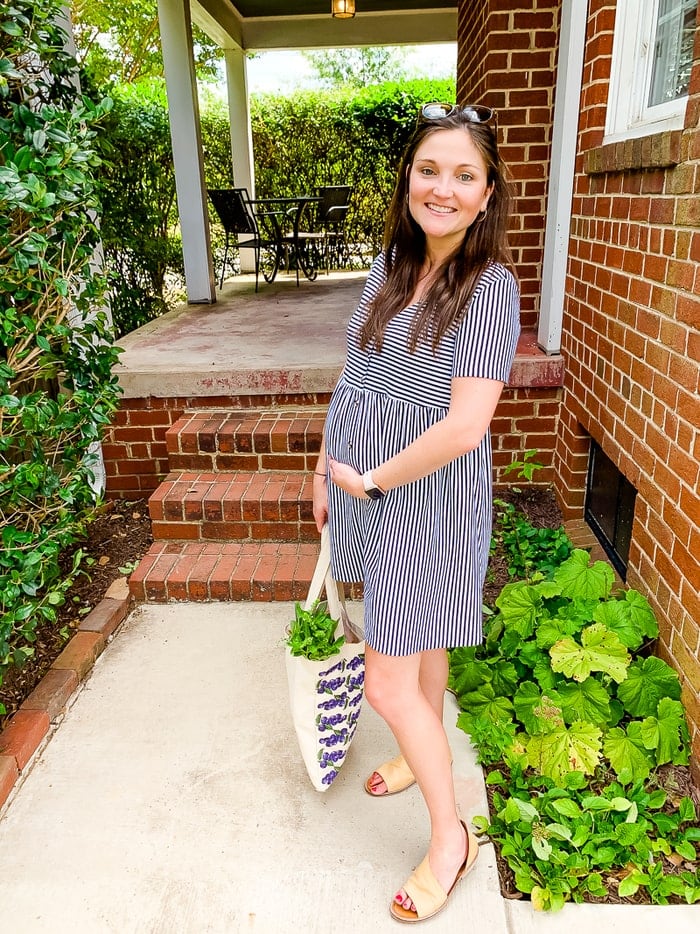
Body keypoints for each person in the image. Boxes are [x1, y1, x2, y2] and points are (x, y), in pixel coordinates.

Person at [312, 102, 521, 924]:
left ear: (486, 193)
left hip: (424, 496)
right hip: (366, 481)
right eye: (429, 169)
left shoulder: (490, 288)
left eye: (463, 175)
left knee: (387, 675)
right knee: (421, 640)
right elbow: (355, 376)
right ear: (408, 178)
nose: (443, 187)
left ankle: (449, 839)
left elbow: (466, 426)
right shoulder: (391, 269)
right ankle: (416, 750)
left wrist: (372, 482)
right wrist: (324, 470)